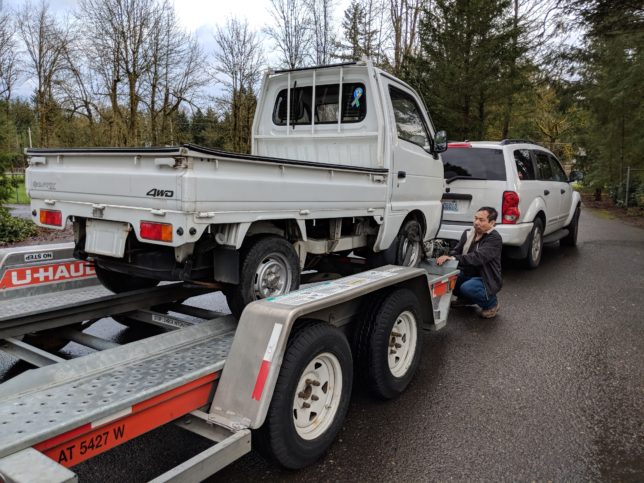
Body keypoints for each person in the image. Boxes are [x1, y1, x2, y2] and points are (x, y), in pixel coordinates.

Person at [436, 207, 502, 318]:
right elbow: (457, 251)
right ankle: (466, 299)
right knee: (448, 279)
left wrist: (455, 258)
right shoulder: (468, 233)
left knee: (468, 288)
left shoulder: (494, 238)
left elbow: (478, 257)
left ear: (492, 223)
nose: (476, 222)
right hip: (468, 273)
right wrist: (448, 256)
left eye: (481, 220)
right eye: (475, 218)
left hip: (486, 278)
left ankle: (492, 304)